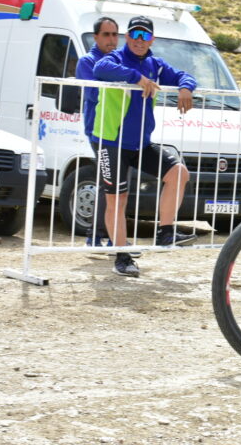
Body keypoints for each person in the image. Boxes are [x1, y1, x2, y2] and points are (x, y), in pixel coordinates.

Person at [93, 16, 197, 277]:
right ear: (127, 37)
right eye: (135, 35)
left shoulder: (156, 63)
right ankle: (122, 256)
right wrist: (136, 77)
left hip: (141, 142)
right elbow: (100, 69)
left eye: (145, 36)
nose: (140, 41)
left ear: (152, 39)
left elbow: (185, 75)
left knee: (178, 173)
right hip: (111, 141)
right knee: (117, 199)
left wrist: (185, 87)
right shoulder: (116, 58)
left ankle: (165, 232)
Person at [75, 16, 119, 247]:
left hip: (120, 131)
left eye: (115, 34)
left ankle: (108, 235)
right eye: (106, 35)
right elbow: (94, 94)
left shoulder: (120, 61)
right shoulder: (87, 61)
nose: (112, 40)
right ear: (96, 37)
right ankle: (98, 235)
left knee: (118, 183)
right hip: (99, 131)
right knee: (108, 182)